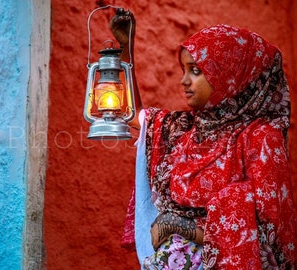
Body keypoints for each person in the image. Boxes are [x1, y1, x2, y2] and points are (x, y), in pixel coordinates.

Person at [110, 9, 297, 269]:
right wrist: (125, 49)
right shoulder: (185, 129)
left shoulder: (261, 138)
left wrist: (180, 226)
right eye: (184, 70)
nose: (184, 80)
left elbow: (266, 236)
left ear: (231, 75)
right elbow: (134, 116)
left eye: (196, 71)